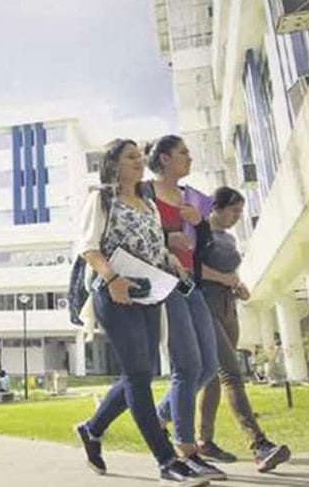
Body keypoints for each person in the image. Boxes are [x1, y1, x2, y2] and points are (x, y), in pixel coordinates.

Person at [73, 138, 210, 486]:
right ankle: (167, 461)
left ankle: (91, 429)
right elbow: (89, 248)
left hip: (149, 293)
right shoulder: (101, 198)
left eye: (139, 156)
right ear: (114, 164)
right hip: (114, 293)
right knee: (137, 375)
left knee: (141, 373)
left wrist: (171, 259)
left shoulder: (148, 204)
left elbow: (154, 246)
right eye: (130, 157)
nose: (138, 161)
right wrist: (112, 279)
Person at [141, 135, 224, 480]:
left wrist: (199, 222)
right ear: (164, 158)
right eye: (182, 152)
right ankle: (186, 449)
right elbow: (135, 236)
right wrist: (166, 236)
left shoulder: (191, 197)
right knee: (187, 366)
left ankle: (160, 415)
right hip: (163, 282)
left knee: (209, 365)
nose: (189, 158)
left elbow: (204, 246)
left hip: (191, 283)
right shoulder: (145, 192)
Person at [194, 186, 292, 472]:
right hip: (206, 305)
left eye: (240, 211)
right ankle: (259, 444)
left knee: (213, 378)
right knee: (231, 374)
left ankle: (204, 442)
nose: (238, 216)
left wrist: (238, 284)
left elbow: (230, 272)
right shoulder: (199, 232)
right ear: (216, 208)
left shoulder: (228, 237)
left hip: (229, 306)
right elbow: (193, 268)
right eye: (234, 211)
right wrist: (223, 279)